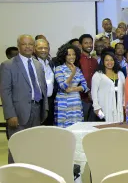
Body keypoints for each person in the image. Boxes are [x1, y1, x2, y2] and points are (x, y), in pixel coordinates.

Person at [0, 35, 48, 163]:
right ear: (18, 46)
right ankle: (14, 178)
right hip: (18, 113)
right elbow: (5, 91)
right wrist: (10, 115)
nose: (28, 47)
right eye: (24, 44)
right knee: (17, 148)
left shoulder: (38, 65)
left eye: (30, 44)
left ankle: (31, 176)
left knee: (33, 146)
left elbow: (43, 88)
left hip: (37, 110)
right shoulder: (8, 65)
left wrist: (45, 109)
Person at [55, 43, 88, 125]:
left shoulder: (78, 69)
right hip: (63, 103)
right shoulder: (59, 69)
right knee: (64, 129)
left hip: (76, 102)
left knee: (77, 126)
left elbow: (85, 86)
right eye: (68, 55)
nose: (72, 57)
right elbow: (63, 86)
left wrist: (72, 89)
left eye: (73, 54)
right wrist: (72, 73)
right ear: (64, 56)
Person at [91, 51, 125, 122]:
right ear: (103, 61)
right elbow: (93, 92)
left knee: (118, 127)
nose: (109, 62)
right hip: (102, 108)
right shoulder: (98, 74)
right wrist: (96, 108)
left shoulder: (120, 74)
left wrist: (124, 104)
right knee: (103, 125)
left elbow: (124, 91)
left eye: (111, 60)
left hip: (118, 107)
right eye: (107, 60)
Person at [34, 39, 55, 126]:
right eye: (40, 48)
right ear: (34, 49)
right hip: (38, 102)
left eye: (45, 48)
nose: (43, 50)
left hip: (50, 101)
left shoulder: (51, 63)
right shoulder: (32, 63)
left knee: (49, 128)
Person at [79, 34, 98, 121]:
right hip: (81, 98)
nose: (89, 45)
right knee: (82, 123)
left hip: (94, 99)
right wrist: (87, 92)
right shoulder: (77, 60)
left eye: (90, 43)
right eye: (86, 43)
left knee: (93, 124)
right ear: (81, 45)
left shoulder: (94, 61)